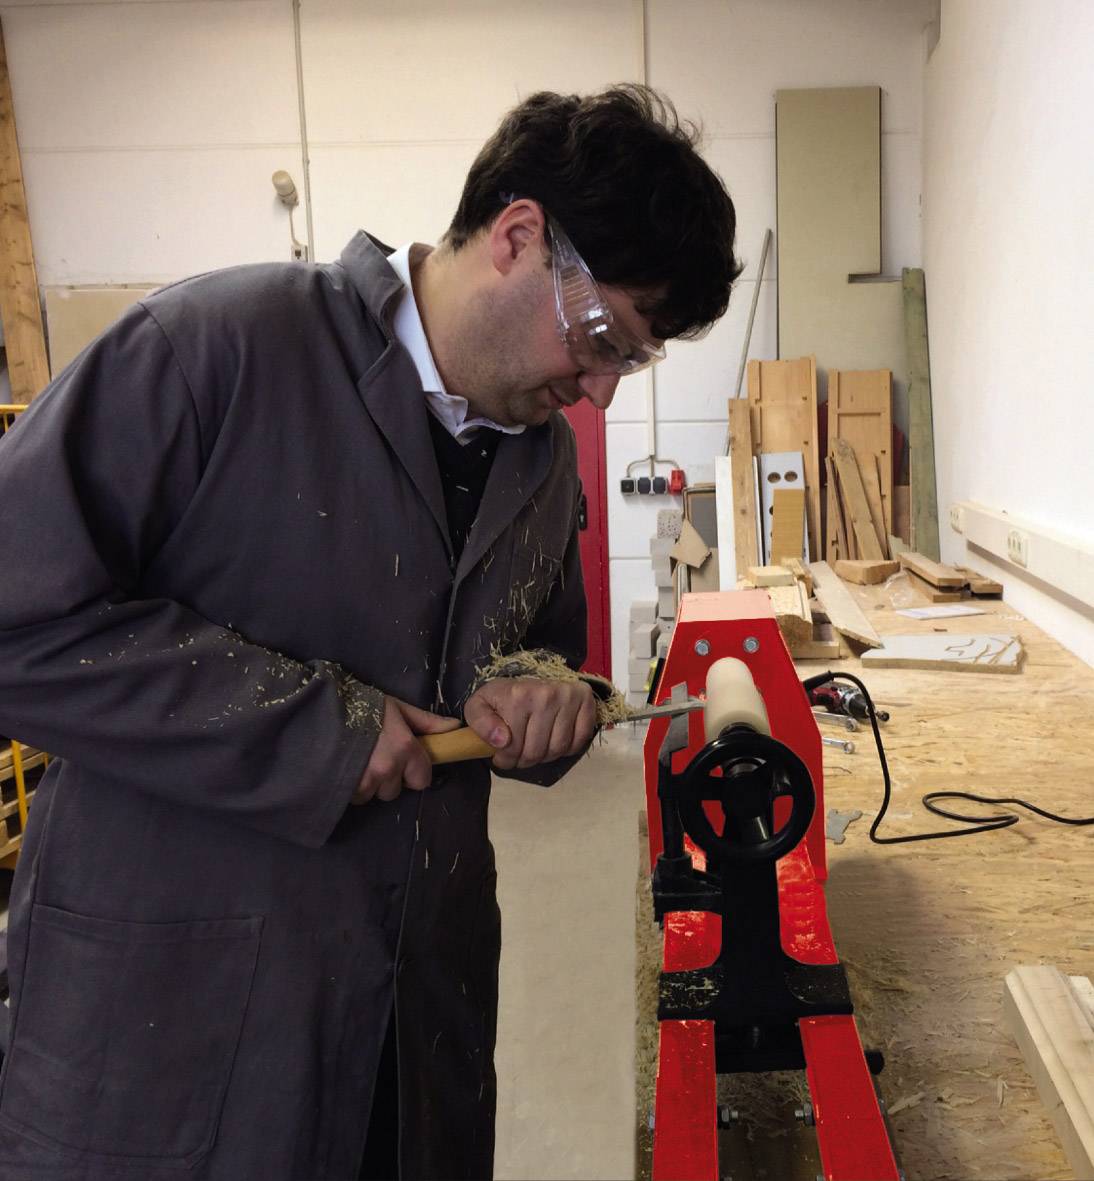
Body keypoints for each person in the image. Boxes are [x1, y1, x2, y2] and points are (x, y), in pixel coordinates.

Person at [0, 84, 740, 1179]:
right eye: (596, 337)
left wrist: (552, 694)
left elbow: (539, 651)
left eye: (624, 363)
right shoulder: (215, 350)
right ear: (518, 236)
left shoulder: (534, 459)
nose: (594, 393)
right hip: (182, 1011)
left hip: (414, 1012)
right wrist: (319, 732)